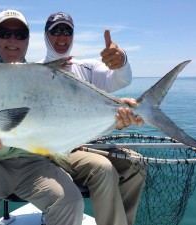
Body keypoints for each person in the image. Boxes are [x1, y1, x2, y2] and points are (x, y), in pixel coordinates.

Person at [0, 9, 143, 225]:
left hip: (37, 161)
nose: (12, 40)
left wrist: (121, 67)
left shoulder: (46, 75)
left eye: (20, 35)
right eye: (4, 33)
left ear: (28, 40)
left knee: (72, 200)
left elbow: (114, 83)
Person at [39, 12, 147, 225]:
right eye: (56, 31)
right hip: (54, 151)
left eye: (67, 31)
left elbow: (120, 78)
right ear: (45, 36)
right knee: (103, 168)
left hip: (85, 143)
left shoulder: (86, 68)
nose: (62, 37)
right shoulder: (35, 72)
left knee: (138, 164)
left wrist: (121, 60)